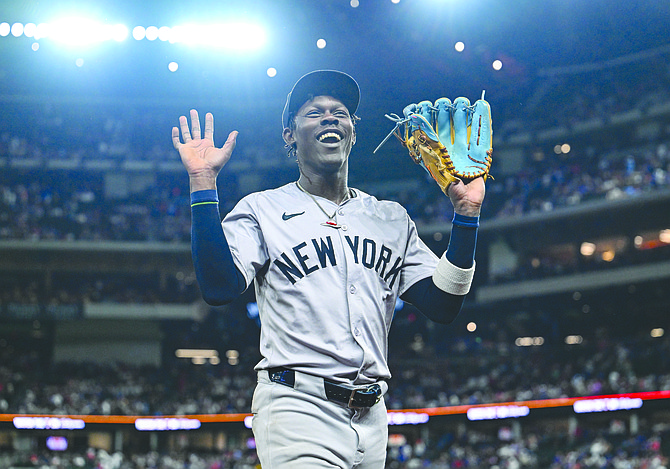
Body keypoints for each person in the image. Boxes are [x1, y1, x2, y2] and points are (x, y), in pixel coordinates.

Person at [172, 70, 486, 469]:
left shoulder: (391, 218)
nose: (330, 117)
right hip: (297, 408)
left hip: (373, 417)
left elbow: (443, 305)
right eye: (314, 112)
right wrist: (202, 183)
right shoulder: (261, 209)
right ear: (290, 135)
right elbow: (218, 287)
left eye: (340, 112)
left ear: (353, 132)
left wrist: (466, 215)